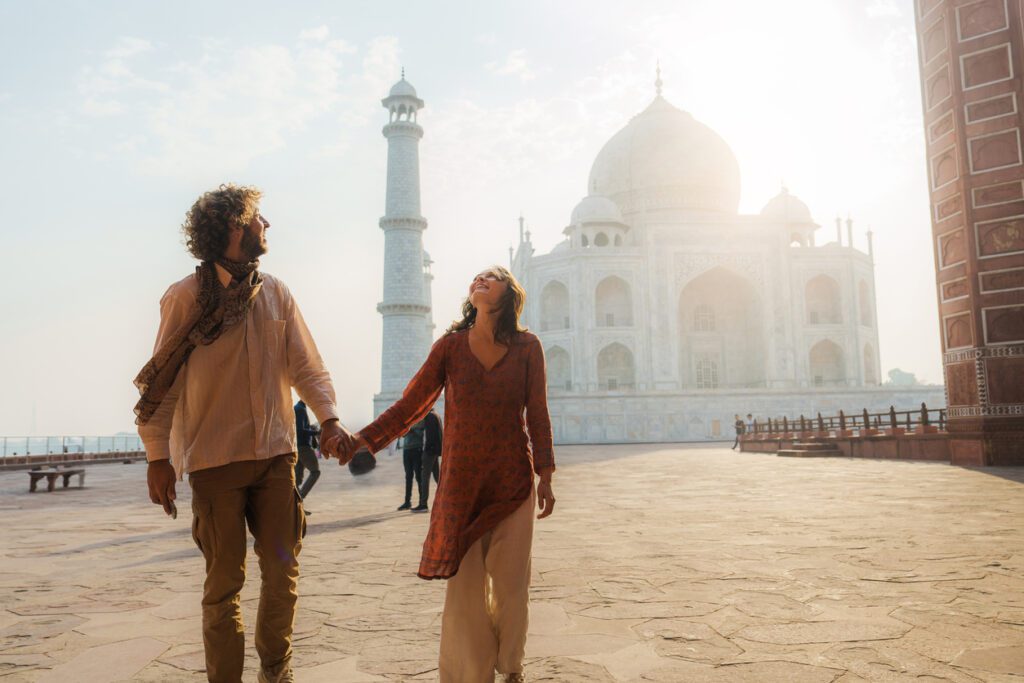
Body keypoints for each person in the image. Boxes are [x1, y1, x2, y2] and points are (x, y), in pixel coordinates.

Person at [134, 184, 351, 683]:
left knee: (282, 573)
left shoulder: (275, 292)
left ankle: (276, 672)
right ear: (234, 226)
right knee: (224, 583)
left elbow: (308, 367)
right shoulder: (185, 298)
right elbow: (163, 383)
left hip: (276, 458)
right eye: (258, 218)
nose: (266, 226)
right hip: (214, 463)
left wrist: (330, 419)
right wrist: (157, 457)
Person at [328, 265, 555, 683]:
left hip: (512, 481)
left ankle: (511, 667)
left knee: (510, 587)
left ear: (511, 292)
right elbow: (410, 405)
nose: (480, 278)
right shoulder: (450, 347)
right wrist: (363, 440)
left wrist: (546, 472)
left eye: (493, 275)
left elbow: (537, 413)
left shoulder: (527, 347)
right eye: (477, 276)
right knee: (465, 593)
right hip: (461, 487)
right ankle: (472, 675)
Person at [294, 399, 321, 503]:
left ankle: (296, 506)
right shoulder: (300, 409)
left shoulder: (299, 408)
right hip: (303, 447)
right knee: (315, 472)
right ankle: (300, 497)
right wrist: (316, 433)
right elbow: (300, 430)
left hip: (298, 446)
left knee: (297, 478)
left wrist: (311, 429)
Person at [416, 407, 442, 512]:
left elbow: (430, 436)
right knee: (438, 478)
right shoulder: (436, 415)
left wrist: (427, 451)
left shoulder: (430, 417)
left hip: (430, 452)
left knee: (424, 478)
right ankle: (447, 499)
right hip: (435, 450)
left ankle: (423, 504)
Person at [397, 419, 426, 511]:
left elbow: (421, 434)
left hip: (417, 449)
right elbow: (402, 434)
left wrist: (411, 429)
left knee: (418, 476)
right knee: (408, 476)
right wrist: (406, 429)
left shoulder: (421, 419)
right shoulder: (408, 419)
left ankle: (422, 502)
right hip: (406, 450)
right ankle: (407, 502)